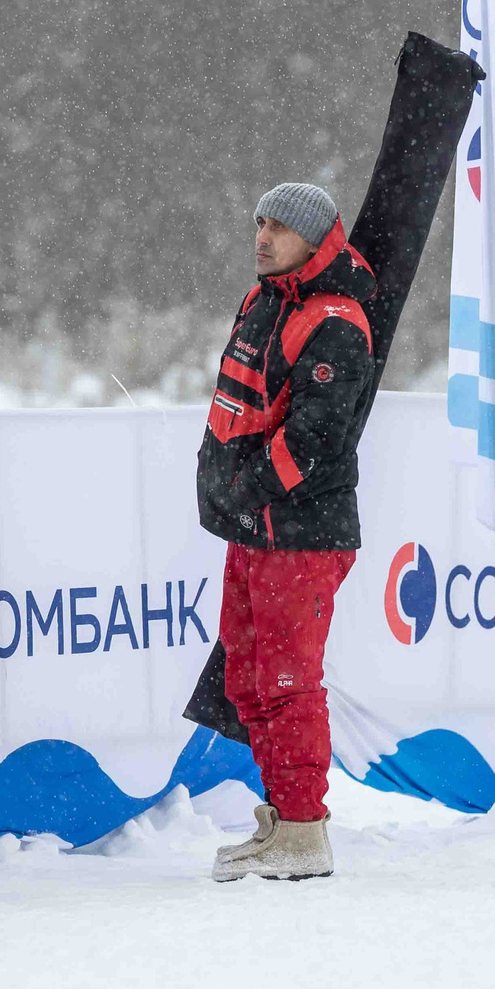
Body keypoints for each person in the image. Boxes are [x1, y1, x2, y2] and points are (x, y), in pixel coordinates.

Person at [195, 182, 377, 883]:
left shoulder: (337, 319)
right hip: (256, 529)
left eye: (278, 227)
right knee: (245, 674)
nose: (262, 236)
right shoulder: (262, 298)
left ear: (315, 239)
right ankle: (284, 814)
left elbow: (316, 439)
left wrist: (243, 488)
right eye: (260, 223)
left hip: (302, 532)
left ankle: (304, 828)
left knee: (286, 677)